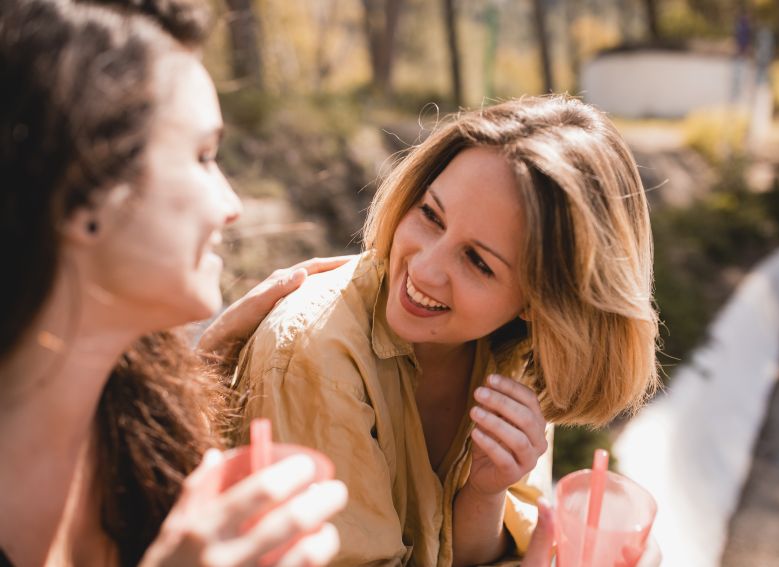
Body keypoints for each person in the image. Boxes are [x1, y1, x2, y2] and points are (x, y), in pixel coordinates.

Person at [231, 95, 660, 565]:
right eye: (430, 215)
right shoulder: (318, 358)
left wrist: (484, 491)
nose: (425, 268)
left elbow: (474, 555)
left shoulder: (518, 357)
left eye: (478, 261)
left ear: (542, 303)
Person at [0, 0, 349, 565]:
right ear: (83, 194)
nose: (231, 204)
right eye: (204, 155)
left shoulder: (145, 430)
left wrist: (214, 354)